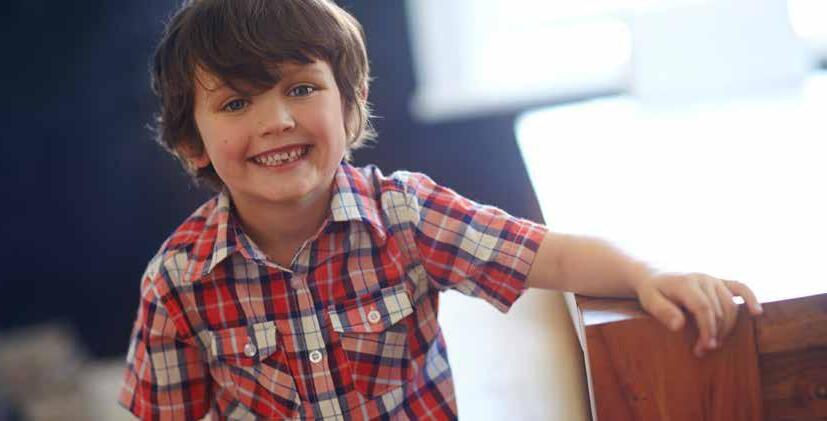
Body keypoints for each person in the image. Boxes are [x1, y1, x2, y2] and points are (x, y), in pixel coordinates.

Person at [118, 0, 764, 419]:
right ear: (191, 142)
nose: (277, 120)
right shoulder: (177, 281)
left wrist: (648, 275)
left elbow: (552, 254)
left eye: (302, 88)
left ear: (351, 105)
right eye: (237, 103)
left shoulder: (405, 215)